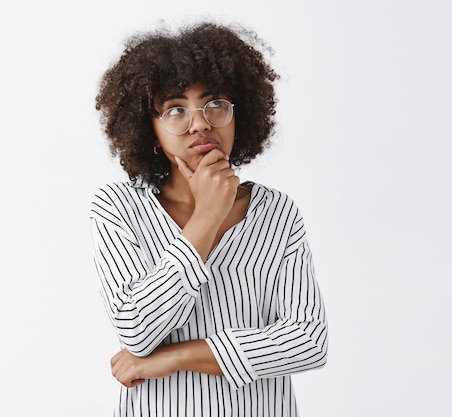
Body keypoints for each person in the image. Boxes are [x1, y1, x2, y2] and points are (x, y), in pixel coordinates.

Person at [89, 20, 328, 417]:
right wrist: (207, 217)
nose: (200, 122)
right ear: (149, 130)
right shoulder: (119, 209)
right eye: (175, 109)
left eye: (215, 103)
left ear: (239, 114)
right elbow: (136, 330)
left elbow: (307, 341)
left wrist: (172, 358)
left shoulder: (277, 213)